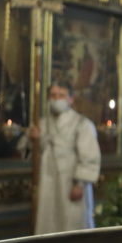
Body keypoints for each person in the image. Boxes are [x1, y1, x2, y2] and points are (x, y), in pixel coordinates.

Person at [28, 81, 101, 234]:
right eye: (53, 95)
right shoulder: (42, 122)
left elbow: (89, 156)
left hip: (70, 182)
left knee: (72, 222)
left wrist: (80, 184)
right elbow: (33, 152)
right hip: (48, 180)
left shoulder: (81, 124)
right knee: (49, 222)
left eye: (61, 95)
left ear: (70, 99)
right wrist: (34, 139)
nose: (57, 99)